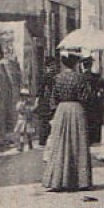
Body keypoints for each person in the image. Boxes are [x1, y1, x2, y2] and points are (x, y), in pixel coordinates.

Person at [42, 51, 93, 192]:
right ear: (76, 63)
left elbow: (53, 98)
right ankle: (80, 181)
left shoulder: (57, 78)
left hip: (62, 110)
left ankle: (58, 180)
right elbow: (85, 97)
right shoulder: (80, 78)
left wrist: (54, 111)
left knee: (60, 143)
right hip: (77, 109)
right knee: (78, 143)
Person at [79, 55, 104, 146]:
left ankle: (87, 139)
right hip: (94, 101)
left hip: (84, 102)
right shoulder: (95, 77)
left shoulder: (81, 77)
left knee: (86, 120)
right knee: (95, 120)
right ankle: (95, 139)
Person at [35, 58, 58, 147]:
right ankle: (43, 140)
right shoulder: (45, 77)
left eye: (54, 65)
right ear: (47, 67)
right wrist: (37, 101)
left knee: (51, 120)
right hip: (45, 101)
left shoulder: (55, 77)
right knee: (44, 121)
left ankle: (49, 139)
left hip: (51, 100)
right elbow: (40, 91)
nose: (53, 67)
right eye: (51, 65)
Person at [13, 88, 36, 152]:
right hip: (22, 120)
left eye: (26, 95)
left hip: (28, 119)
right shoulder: (19, 103)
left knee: (29, 133)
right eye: (23, 95)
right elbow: (20, 110)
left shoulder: (29, 103)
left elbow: (32, 109)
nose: (25, 97)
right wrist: (24, 107)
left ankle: (30, 145)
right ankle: (21, 145)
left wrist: (31, 109)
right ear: (21, 96)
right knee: (21, 133)